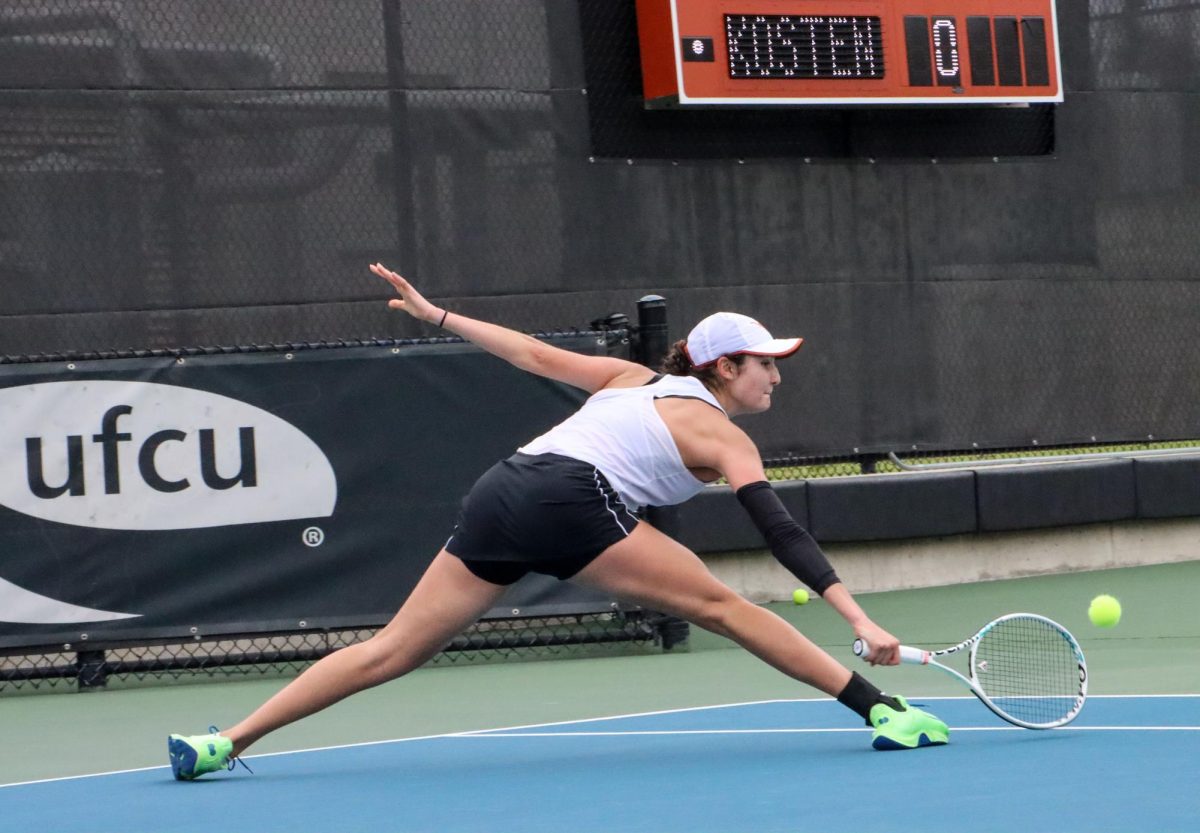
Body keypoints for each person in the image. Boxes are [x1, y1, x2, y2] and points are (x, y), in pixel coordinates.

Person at [167, 264, 948, 779]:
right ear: (722, 368)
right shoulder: (722, 434)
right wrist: (858, 614)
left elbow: (533, 356)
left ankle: (222, 741)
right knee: (724, 607)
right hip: (569, 497)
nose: (776, 374)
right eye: (763, 361)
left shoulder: (628, 377)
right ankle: (881, 707)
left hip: (501, 490)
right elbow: (782, 530)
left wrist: (439, 314)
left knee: (389, 651)